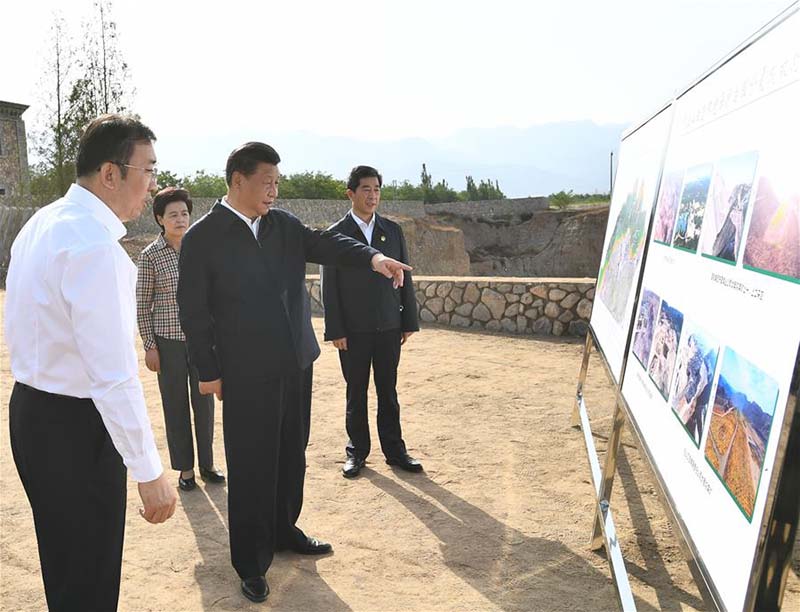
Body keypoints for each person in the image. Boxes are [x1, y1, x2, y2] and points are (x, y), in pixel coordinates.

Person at [176, 142, 411, 603]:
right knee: (250, 463)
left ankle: (285, 531)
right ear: (238, 180)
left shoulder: (282, 225)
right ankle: (250, 560)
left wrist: (372, 258)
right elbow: (193, 309)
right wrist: (208, 370)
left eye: (278, 183)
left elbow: (325, 242)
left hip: (294, 362)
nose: (274, 191)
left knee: (290, 452)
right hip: (245, 371)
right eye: (267, 182)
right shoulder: (205, 236)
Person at [5, 114, 177, 612]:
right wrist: (148, 471)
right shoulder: (95, 248)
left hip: (34, 412)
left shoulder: (43, 222)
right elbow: (114, 376)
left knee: (65, 566)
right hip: (77, 430)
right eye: (147, 170)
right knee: (89, 578)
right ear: (110, 173)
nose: (152, 185)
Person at [322, 165, 422, 479]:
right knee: (356, 393)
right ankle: (357, 453)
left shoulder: (392, 230)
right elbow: (330, 287)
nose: (372, 195)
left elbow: (405, 276)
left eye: (377, 189)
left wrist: (408, 319)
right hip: (353, 330)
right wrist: (336, 329)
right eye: (366, 189)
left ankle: (395, 451)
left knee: (388, 391)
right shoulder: (335, 234)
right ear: (351, 193)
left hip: (389, 325)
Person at [137, 186, 225, 491]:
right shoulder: (150, 256)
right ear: (160, 219)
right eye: (172, 214)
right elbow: (142, 305)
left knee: (205, 404)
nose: (180, 219)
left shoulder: (202, 249)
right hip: (168, 343)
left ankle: (208, 465)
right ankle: (185, 470)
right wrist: (150, 346)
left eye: (184, 213)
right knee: (175, 406)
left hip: (202, 340)